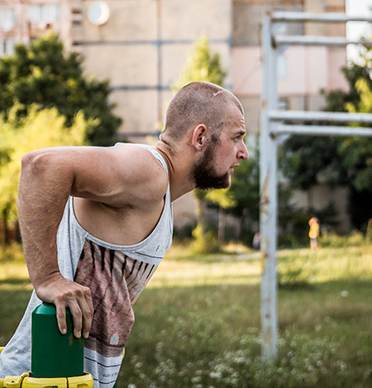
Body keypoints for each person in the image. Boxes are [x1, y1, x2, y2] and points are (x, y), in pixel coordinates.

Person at [0, 82, 248, 388]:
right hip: (37, 378)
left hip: (65, 378)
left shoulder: (159, 192)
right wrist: (48, 277)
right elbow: (40, 166)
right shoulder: (149, 172)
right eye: (237, 138)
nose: (244, 153)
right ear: (199, 137)